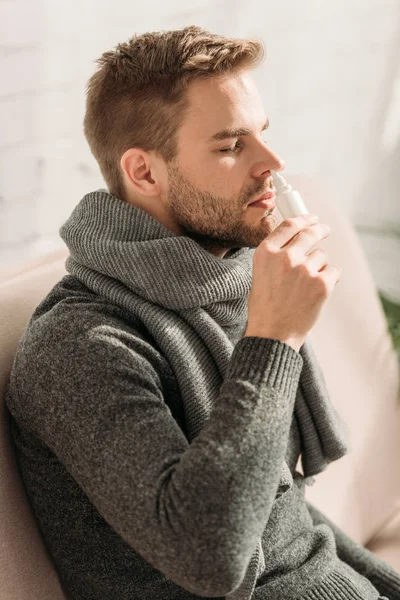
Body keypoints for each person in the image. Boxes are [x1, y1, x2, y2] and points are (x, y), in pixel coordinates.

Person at [5, 25, 399, 600]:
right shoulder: (81, 345)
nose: (272, 161)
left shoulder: (227, 286)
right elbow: (210, 557)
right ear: (144, 173)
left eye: (262, 134)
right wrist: (273, 338)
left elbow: (284, 524)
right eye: (231, 145)